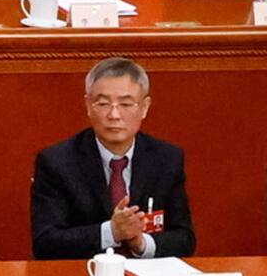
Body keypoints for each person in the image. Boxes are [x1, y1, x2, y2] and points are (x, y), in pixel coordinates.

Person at [31, 58, 196, 260]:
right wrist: (112, 232)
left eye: (126, 104)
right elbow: (45, 243)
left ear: (144, 107)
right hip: (83, 275)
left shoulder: (166, 159)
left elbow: (184, 239)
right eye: (103, 103)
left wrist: (140, 243)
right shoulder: (57, 161)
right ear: (88, 106)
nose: (114, 114)